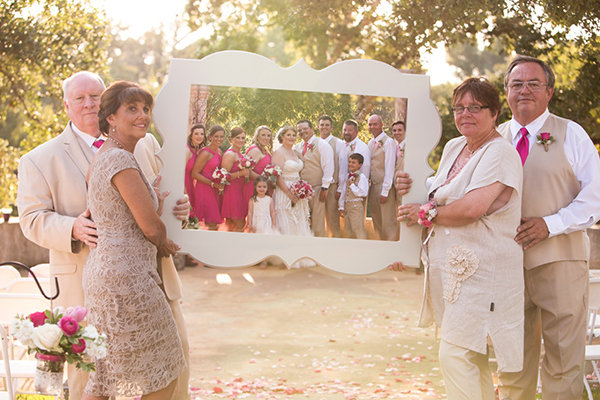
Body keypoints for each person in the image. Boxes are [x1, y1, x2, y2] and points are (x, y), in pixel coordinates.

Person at [16, 71, 190, 400]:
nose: (89, 103)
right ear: (66, 105)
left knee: (170, 365)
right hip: (90, 281)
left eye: (95, 95)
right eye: (80, 98)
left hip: (153, 278)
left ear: (105, 101)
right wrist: (72, 228)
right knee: (96, 374)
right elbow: (30, 219)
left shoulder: (145, 141)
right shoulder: (39, 159)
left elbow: (151, 201)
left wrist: (178, 206)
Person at [394, 77, 524, 400]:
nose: (465, 113)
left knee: (453, 355)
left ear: (495, 113)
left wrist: (423, 214)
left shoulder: (500, 153)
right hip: (453, 273)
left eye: (475, 107)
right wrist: (410, 185)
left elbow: (471, 208)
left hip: (484, 274)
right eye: (459, 108)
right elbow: (437, 193)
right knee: (471, 356)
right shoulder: (455, 147)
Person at [496, 56, 600, 400]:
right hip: (506, 267)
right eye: (516, 84)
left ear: (549, 92)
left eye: (533, 84)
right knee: (512, 364)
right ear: (506, 93)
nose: (524, 90)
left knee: (562, 365)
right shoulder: (492, 139)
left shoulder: (572, 133)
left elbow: (595, 197)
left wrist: (551, 225)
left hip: (560, 263)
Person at [82, 81, 185, 399]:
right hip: (127, 279)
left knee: (104, 376)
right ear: (110, 117)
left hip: (105, 273)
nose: (142, 115)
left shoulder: (106, 157)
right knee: (164, 371)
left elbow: (114, 213)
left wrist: (152, 194)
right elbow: (150, 228)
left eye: (145, 109)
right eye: (132, 108)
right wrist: (165, 244)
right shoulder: (121, 161)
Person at [293, 119, 334, 237]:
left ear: (312, 129)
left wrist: (325, 188)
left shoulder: (322, 144)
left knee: (318, 222)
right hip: (301, 191)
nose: (302, 132)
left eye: (305, 129)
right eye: (299, 130)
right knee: (305, 221)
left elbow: (328, 167)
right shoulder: (297, 147)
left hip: (317, 188)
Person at [271, 126, 312, 237]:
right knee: (287, 220)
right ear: (282, 137)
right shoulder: (278, 153)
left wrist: (301, 190)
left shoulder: (295, 152)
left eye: (294, 135)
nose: (292, 137)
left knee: (299, 221)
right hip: (285, 191)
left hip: (297, 190)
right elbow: (277, 176)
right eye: (288, 135)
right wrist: (289, 194)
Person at [367, 114, 398, 241]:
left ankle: (391, 248)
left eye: (375, 124)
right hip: (373, 186)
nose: (372, 127)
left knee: (388, 221)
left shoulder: (389, 142)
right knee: (376, 220)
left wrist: (385, 190)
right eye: (370, 124)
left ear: (381, 125)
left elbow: (390, 166)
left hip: (384, 186)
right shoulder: (370, 143)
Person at [190, 125, 225, 230]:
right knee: (212, 223)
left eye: (221, 137)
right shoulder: (205, 153)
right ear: (210, 137)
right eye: (216, 136)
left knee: (214, 224)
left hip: (214, 189)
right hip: (204, 189)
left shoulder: (219, 151)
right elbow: (194, 174)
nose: (219, 139)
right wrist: (212, 183)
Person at [317, 115, 344, 237]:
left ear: (331, 127)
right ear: (318, 127)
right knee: (318, 219)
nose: (324, 127)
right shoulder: (315, 143)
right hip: (317, 186)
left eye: (327, 125)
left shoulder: (338, 143)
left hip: (332, 187)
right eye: (322, 125)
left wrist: (340, 188)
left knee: (333, 219)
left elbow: (343, 167)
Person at [220, 126, 250, 231]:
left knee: (233, 226)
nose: (241, 140)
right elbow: (223, 177)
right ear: (231, 139)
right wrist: (240, 173)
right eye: (238, 138)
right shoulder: (229, 154)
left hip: (240, 191)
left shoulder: (239, 153)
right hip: (232, 193)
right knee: (239, 224)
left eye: (243, 138)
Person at [336, 119, 370, 205]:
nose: (346, 132)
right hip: (342, 188)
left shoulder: (362, 147)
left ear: (356, 132)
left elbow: (365, 169)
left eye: (350, 130)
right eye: (344, 130)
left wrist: (358, 186)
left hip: (356, 188)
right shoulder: (340, 144)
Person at [338, 153, 368, 239]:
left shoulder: (362, 177)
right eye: (349, 162)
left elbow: (363, 193)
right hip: (348, 205)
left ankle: (362, 247)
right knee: (348, 230)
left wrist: (352, 186)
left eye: (353, 162)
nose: (350, 164)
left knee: (357, 229)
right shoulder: (348, 176)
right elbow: (344, 191)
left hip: (356, 206)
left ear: (360, 165)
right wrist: (341, 207)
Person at [242, 125, 272, 208]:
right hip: (253, 188)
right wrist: (264, 180)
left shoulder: (264, 149)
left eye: (268, 135)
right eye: (263, 135)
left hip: (261, 188)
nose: (266, 138)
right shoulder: (255, 150)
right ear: (257, 136)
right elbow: (247, 171)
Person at [185, 124, 205, 219]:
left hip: (192, 186)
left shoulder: (198, 151)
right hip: (184, 186)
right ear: (191, 135)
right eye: (196, 133)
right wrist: (184, 193)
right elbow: (179, 173)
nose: (199, 136)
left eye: (202, 134)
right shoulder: (186, 150)